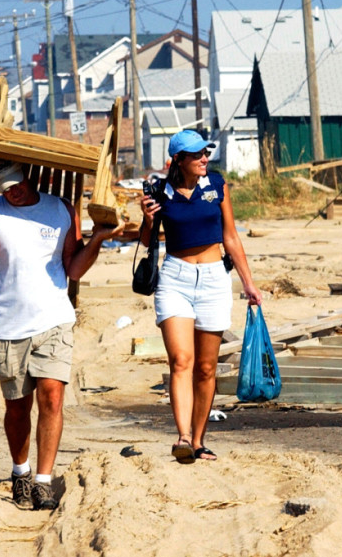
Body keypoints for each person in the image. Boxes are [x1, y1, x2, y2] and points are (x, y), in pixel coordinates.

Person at [0, 160, 123, 510]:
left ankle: (43, 482)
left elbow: (73, 266)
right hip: (7, 325)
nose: (11, 191)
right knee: (17, 409)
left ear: (33, 179)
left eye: (16, 183)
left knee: (52, 398)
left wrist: (98, 240)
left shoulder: (61, 209)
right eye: (4, 187)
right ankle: (21, 472)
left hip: (54, 320)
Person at [139, 129, 262, 464]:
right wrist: (148, 220)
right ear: (179, 160)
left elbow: (231, 236)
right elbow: (147, 239)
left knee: (206, 368)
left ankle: (199, 440)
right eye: (197, 155)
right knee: (182, 361)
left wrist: (248, 283)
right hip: (175, 279)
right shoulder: (159, 191)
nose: (205, 159)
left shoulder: (217, 185)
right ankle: (181, 438)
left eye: (206, 153)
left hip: (213, 279)